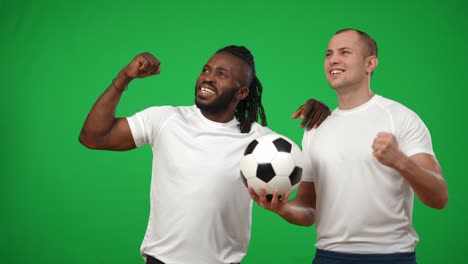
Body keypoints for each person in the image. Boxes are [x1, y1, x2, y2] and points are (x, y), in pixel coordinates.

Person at [79, 45, 330, 264]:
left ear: (241, 93)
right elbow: (93, 137)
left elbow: (307, 212)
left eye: (221, 75)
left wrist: (323, 119)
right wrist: (125, 77)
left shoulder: (262, 143)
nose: (208, 78)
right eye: (206, 70)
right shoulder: (166, 119)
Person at [249, 29, 449, 264]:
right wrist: (281, 208)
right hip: (329, 256)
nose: (333, 59)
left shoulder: (401, 118)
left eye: (345, 52)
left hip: (391, 256)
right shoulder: (316, 127)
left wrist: (401, 162)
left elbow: (439, 197)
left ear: (370, 63)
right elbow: (308, 208)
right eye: (328, 54)